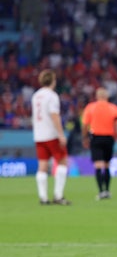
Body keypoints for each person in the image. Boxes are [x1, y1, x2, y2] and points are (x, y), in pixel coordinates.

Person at [31, 69, 71, 206]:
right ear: (53, 81)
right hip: (51, 134)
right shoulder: (52, 96)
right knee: (62, 162)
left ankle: (43, 197)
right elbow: (54, 116)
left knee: (42, 165)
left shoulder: (36, 96)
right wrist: (61, 134)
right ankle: (58, 196)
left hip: (39, 135)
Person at [81, 87, 117, 200]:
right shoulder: (114, 109)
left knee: (98, 165)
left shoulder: (90, 108)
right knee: (107, 165)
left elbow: (85, 125)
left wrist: (85, 138)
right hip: (109, 139)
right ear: (107, 97)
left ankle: (101, 191)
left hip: (95, 138)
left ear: (97, 96)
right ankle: (107, 190)